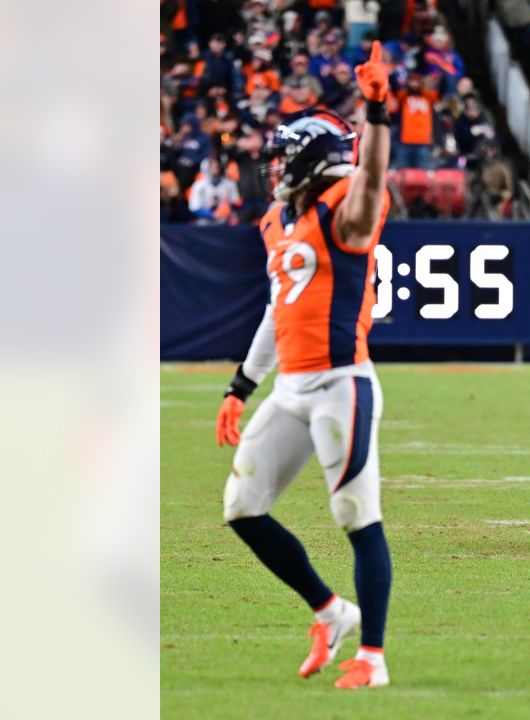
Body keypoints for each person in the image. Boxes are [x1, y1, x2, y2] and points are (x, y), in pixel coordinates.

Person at [214, 43, 395, 690]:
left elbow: (373, 180)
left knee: (355, 515)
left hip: (341, 383)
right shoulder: (277, 220)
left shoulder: (344, 205)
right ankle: (330, 610)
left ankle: (372, 659)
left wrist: (376, 111)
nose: (273, 168)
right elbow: (277, 308)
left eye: (283, 156)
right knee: (242, 505)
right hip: (290, 387)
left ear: (311, 159)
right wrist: (241, 384)